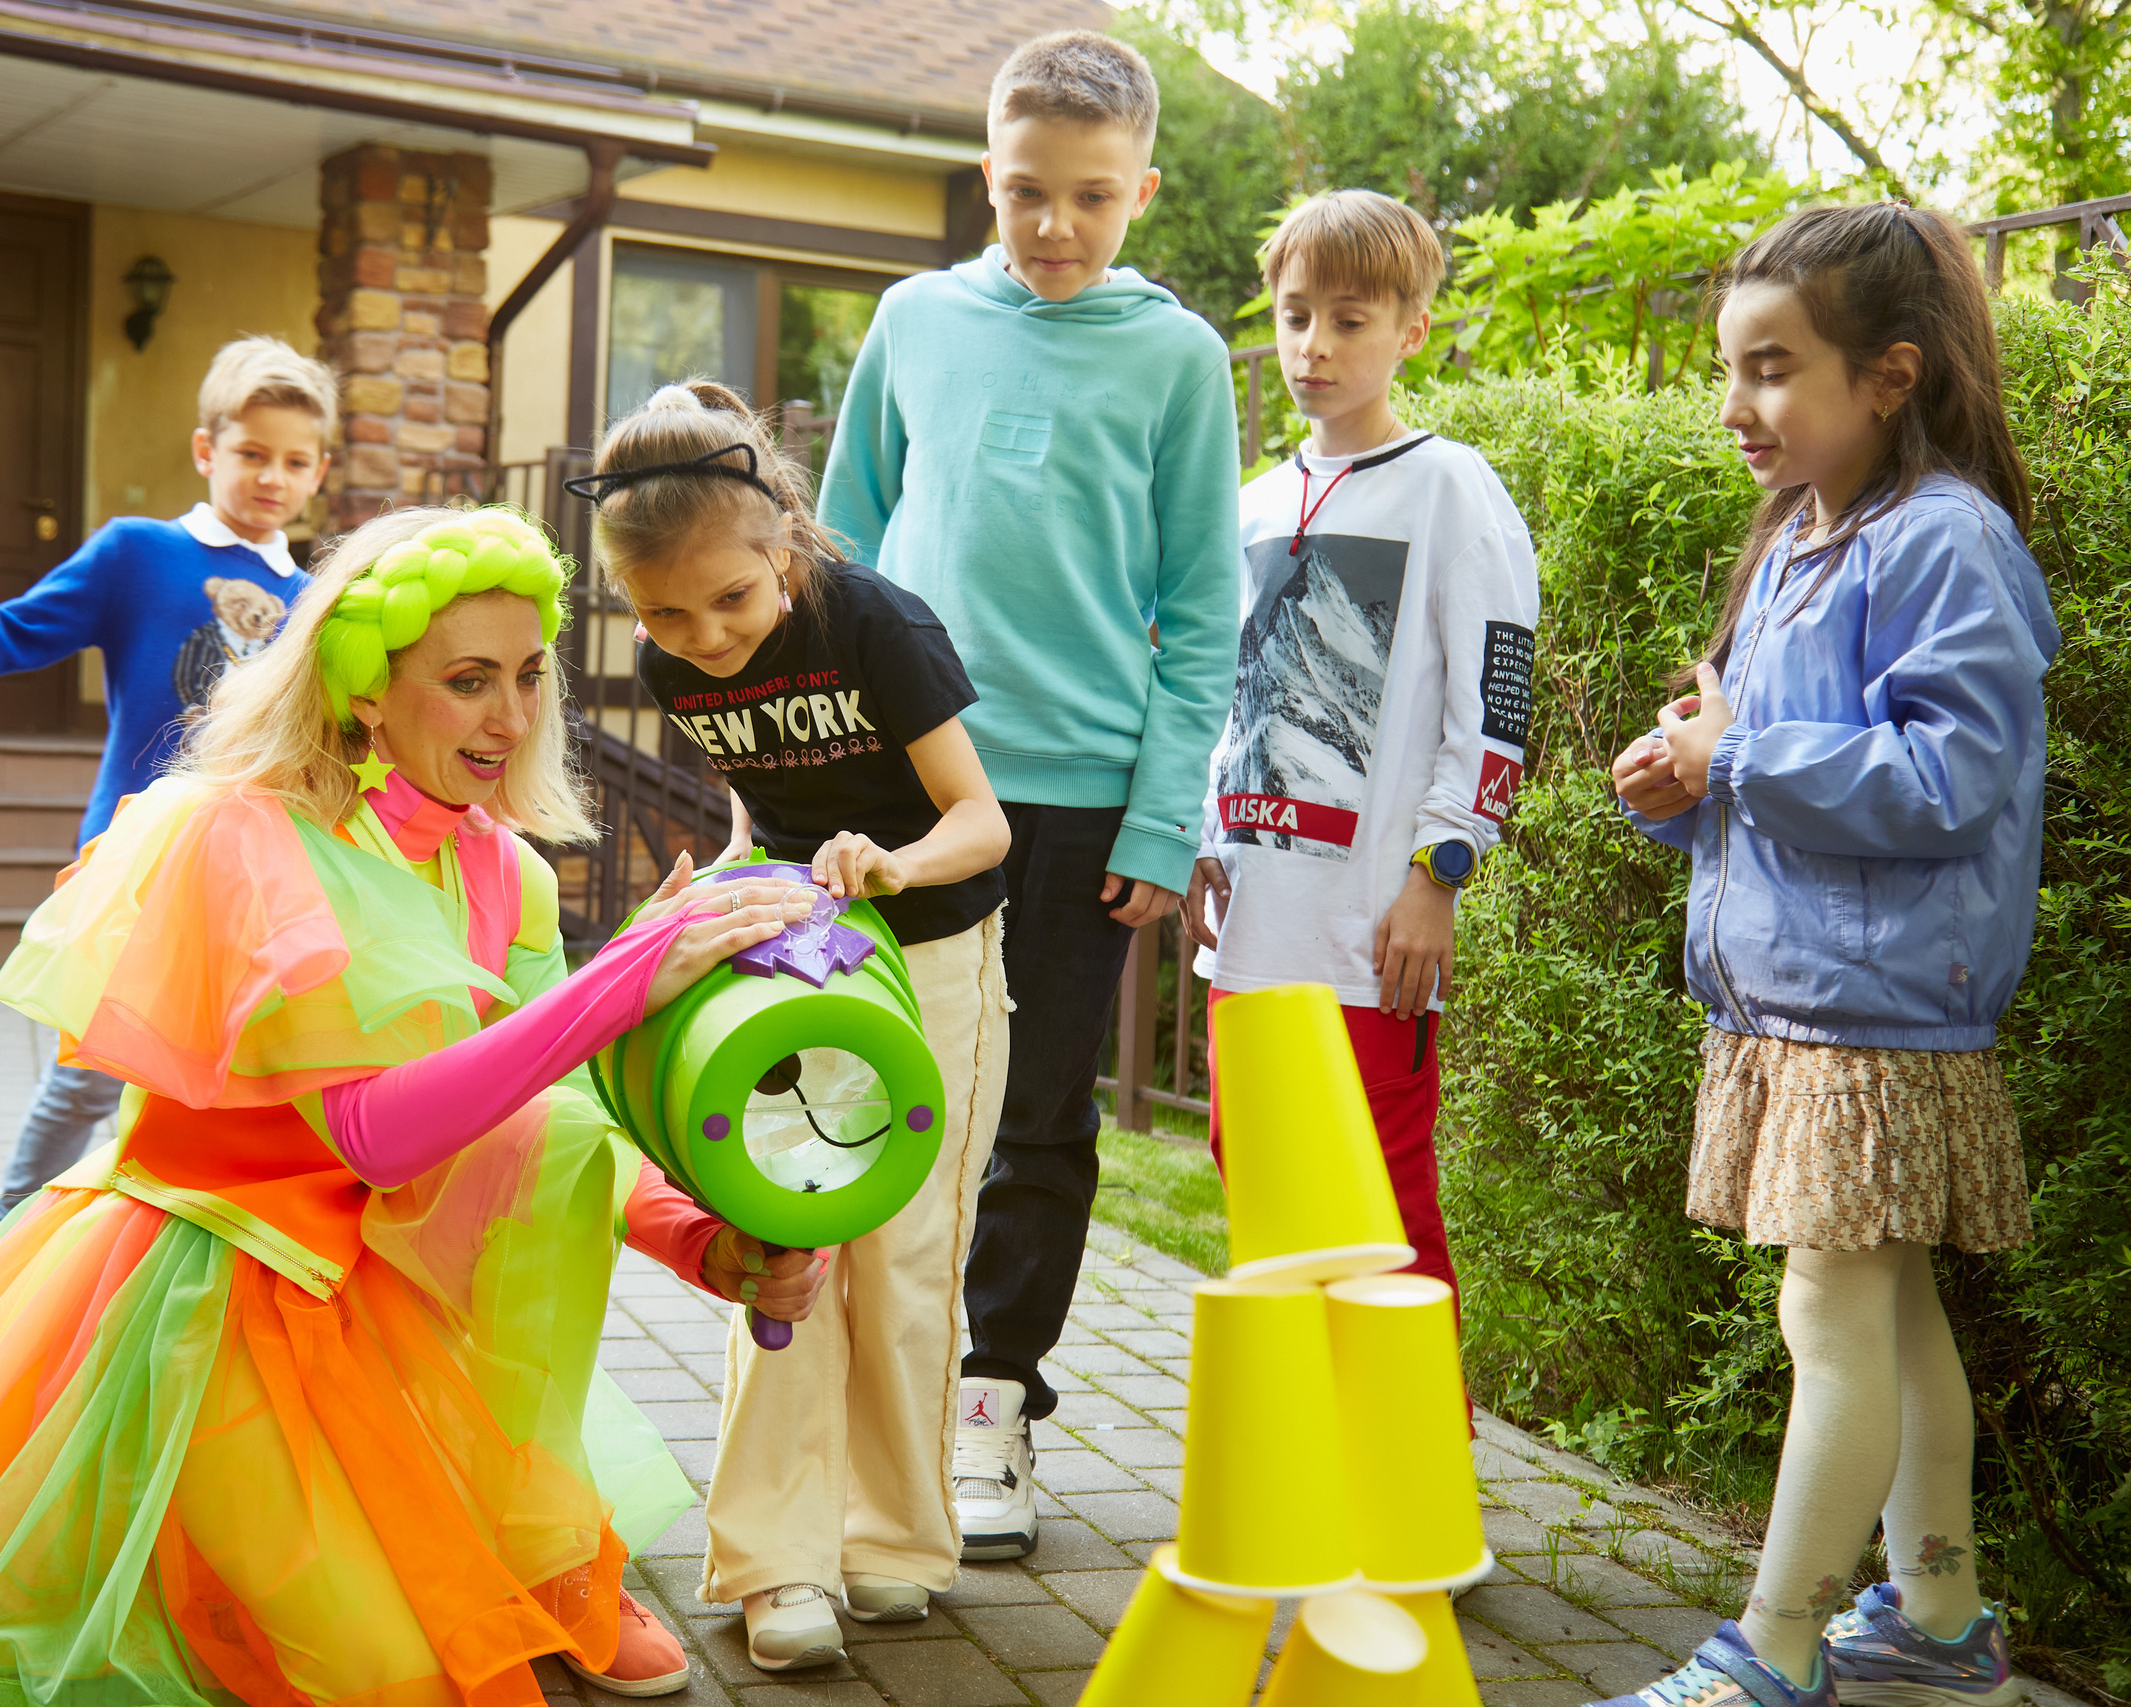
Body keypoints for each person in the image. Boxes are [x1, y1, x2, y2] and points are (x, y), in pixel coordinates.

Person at [0, 504, 828, 1703]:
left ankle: (531, 1542)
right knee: (379, 1669)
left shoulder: (502, 866)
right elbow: (366, 1128)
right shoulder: (248, 837)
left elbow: (548, 1109)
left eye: (526, 677)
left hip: (404, 1288)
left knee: (549, 1159)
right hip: (234, 1276)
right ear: (363, 690)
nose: (510, 720)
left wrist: (702, 1242)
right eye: (466, 682)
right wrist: (621, 979)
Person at [1602, 203, 2054, 1707]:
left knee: (1831, 1313)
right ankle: (1940, 1621)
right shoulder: (1800, 540)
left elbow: (1947, 784)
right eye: (1731, 369)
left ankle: (1775, 1647)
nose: (1737, 406)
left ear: (1891, 374)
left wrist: (1739, 755)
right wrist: (1688, 785)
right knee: (1891, 1306)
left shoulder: (1944, 542)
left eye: (1775, 368)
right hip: (1808, 994)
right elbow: (1775, 776)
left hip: (1876, 1004)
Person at [817, 28, 1241, 1561]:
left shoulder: (1180, 358)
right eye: (1022, 194)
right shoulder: (915, 318)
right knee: (877, 1088)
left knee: (1040, 1118)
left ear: (1140, 190)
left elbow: (1203, 611)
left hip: (1079, 804)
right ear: (983, 176)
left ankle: (992, 1403)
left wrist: (1159, 819)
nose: (1054, 226)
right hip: (912, 785)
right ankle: (860, 1403)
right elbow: (841, 540)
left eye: (1089, 197)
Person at [578, 381, 1012, 1669]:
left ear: (781, 547)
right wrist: (720, 881)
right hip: (796, 953)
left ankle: (890, 1544)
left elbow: (980, 822)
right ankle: (776, 1562)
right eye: (663, 613)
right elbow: (754, 806)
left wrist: (889, 862)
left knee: (907, 1257)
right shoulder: (672, 660)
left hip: (931, 948)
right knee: (788, 1232)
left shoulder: (875, 622)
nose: (703, 639)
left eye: (731, 599)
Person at [0, 336, 339, 1234]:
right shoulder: (138, 554)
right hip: (136, 858)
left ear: (320, 470)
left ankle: (182, 1255)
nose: (271, 479)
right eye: (253, 453)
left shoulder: (320, 596)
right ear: (206, 449)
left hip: (263, 876)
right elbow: (14, 632)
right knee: (93, 1074)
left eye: (294, 461)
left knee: (242, 1079)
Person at [1181, 190, 1539, 1329]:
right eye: (1294, 318)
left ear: (1411, 329)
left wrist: (1439, 876)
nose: (1313, 347)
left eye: (1347, 319)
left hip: (1372, 933)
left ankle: (1413, 1482)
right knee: (1268, 1204)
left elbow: (1495, 702)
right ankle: (1310, 1473)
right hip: (1249, 926)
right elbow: (1214, 698)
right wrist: (1190, 842)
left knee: (1383, 1219)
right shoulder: (1246, 506)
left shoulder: (1451, 490)